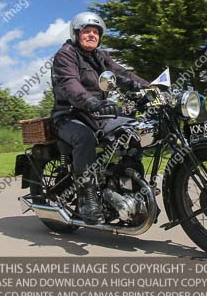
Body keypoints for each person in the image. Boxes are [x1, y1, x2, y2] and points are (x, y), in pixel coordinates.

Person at [50, 12, 149, 224]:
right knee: (84, 138)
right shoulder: (65, 55)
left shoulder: (100, 57)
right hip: (69, 115)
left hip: (98, 114)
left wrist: (150, 88)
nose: (92, 35)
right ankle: (87, 200)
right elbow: (69, 84)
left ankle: (128, 184)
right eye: (87, 31)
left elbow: (123, 74)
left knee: (134, 130)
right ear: (76, 33)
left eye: (96, 32)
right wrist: (89, 101)